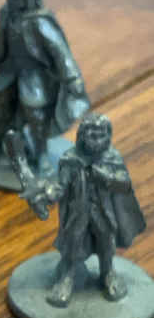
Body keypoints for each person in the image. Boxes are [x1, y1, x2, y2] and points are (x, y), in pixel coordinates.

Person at [0, 0, 89, 170]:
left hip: (34, 75)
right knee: (1, 101)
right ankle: (0, 133)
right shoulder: (6, 13)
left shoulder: (39, 22)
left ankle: (41, 152)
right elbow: (2, 39)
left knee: (36, 112)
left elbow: (60, 51)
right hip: (9, 69)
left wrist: (73, 78)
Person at [35, 114, 146, 306]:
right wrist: (50, 192)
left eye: (102, 135)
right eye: (92, 135)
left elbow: (124, 183)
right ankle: (67, 277)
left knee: (106, 242)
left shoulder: (112, 158)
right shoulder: (71, 160)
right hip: (78, 212)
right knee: (73, 243)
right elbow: (61, 186)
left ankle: (108, 273)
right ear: (82, 135)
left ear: (108, 136)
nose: (97, 140)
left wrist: (107, 178)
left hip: (104, 212)